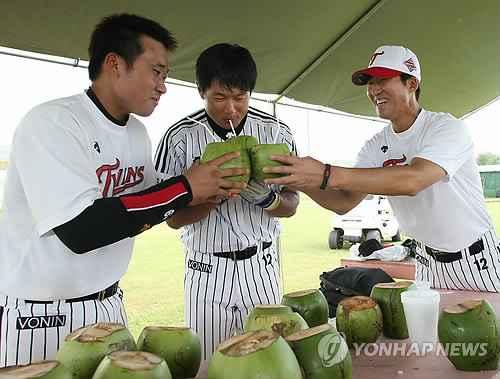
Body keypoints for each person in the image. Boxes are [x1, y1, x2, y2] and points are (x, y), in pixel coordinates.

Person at [0, 14, 245, 366]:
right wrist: (186, 186)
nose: (163, 86)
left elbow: (150, 209)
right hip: (42, 318)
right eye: (156, 72)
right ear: (115, 64)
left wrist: (212, 190)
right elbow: (80, 230)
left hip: (110, 307)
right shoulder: (54, 122)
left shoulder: (135, 134)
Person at [265, 45, 500, 293]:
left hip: (477, 261)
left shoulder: (446, 128)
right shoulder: (376, 146)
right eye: (370, 82)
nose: (374, 89)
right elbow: (343, 201)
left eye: (383, 80)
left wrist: (325, 173)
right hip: (426, 264)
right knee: (427, 333)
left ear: (412, 83)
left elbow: (413, 180)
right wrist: (298, 178)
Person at [154, 43, 299, 359]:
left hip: (261, 267)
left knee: (267, 359)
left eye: (240, 97)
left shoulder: (276, 132)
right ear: (201, 91)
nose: (231, 109)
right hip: (207, 269)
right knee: (209, 361)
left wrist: (264, 197)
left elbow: (291, 205)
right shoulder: (179, 137)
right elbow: (171, 217)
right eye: (219, 98)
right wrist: (209, 196)